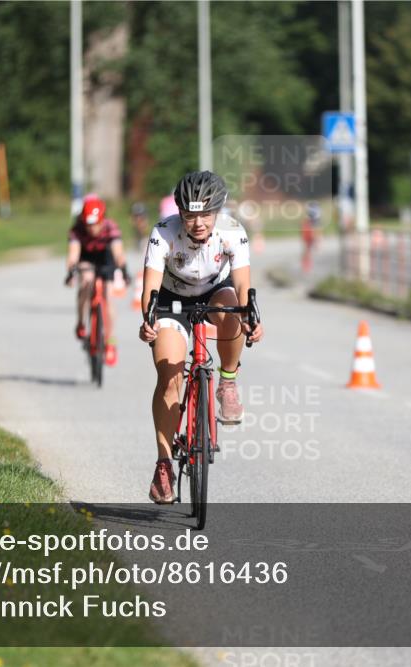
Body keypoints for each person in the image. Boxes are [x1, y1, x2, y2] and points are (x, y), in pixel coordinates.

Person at [139, 171, 264, 504]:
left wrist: (251, 318)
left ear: (217, 212)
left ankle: (227, 381)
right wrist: (148, 318)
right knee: (168, 377)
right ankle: (164, 464)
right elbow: (150, 286)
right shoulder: (163, 233)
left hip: (214, 294)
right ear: (180, 211)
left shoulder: (233, 232)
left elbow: (242, 287)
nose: (198, 222)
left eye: (206, 214)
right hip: (170, 301)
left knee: (233, 310)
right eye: (190, 215)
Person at [66, 194, 127, 366]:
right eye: (88, 225)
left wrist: (124, 269)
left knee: (108, 294)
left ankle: (110, 341)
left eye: (96, 224)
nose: (92, 229)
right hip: (86, 257)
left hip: (104, 257)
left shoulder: (110, 227)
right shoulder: (77, 230)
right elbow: (73, 253)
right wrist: (71, 271)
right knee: (86, 280)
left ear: (102, 220)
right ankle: (80, 323)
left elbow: (118, 252)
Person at [301, 201, 322, 272]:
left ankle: (307, 266)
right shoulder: (310, 220)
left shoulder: (313, 218)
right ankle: (306, 266)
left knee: (308, 250)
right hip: (310, 228)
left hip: (311, 227)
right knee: (308, 250)